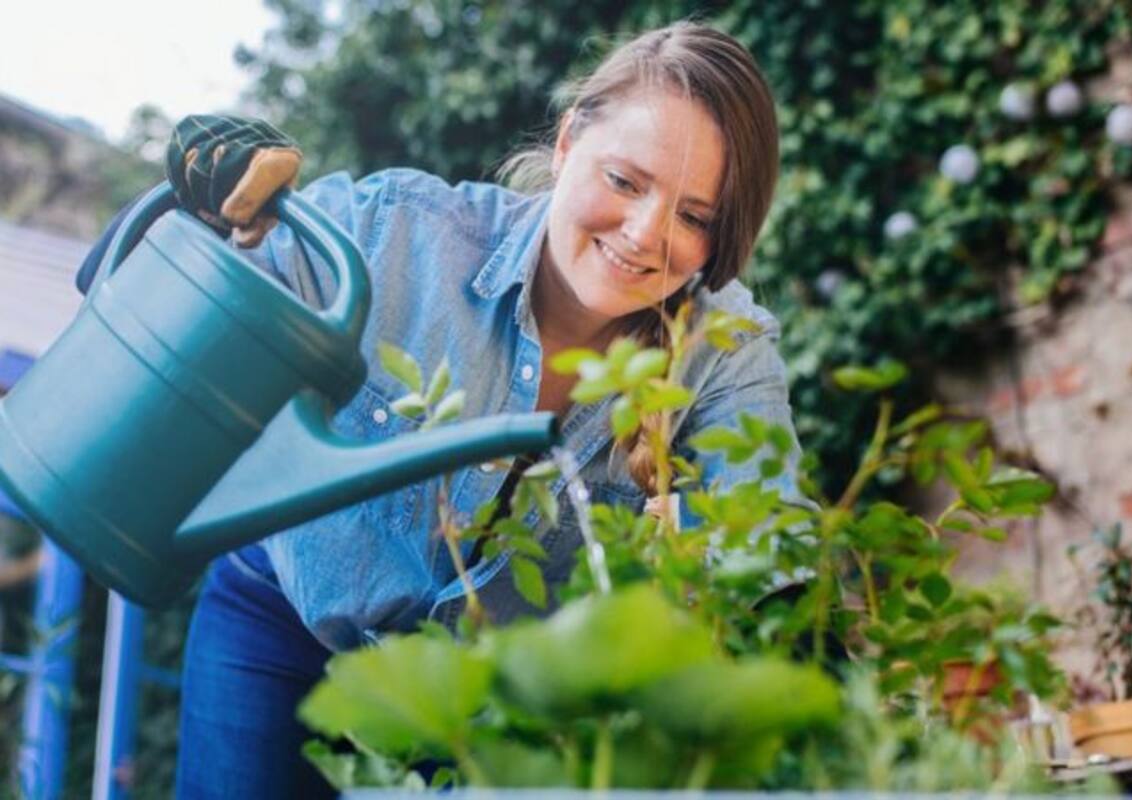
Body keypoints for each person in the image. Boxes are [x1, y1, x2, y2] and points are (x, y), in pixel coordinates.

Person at [78, 21, 805, 799]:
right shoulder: (395, 233)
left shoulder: (722, 349)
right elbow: (130, 297)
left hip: (484, 713)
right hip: (283, 629)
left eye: (694, 217)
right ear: (568, 143)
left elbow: (770, 537)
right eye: (625, 181)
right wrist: (201, 207)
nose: (644, 234)